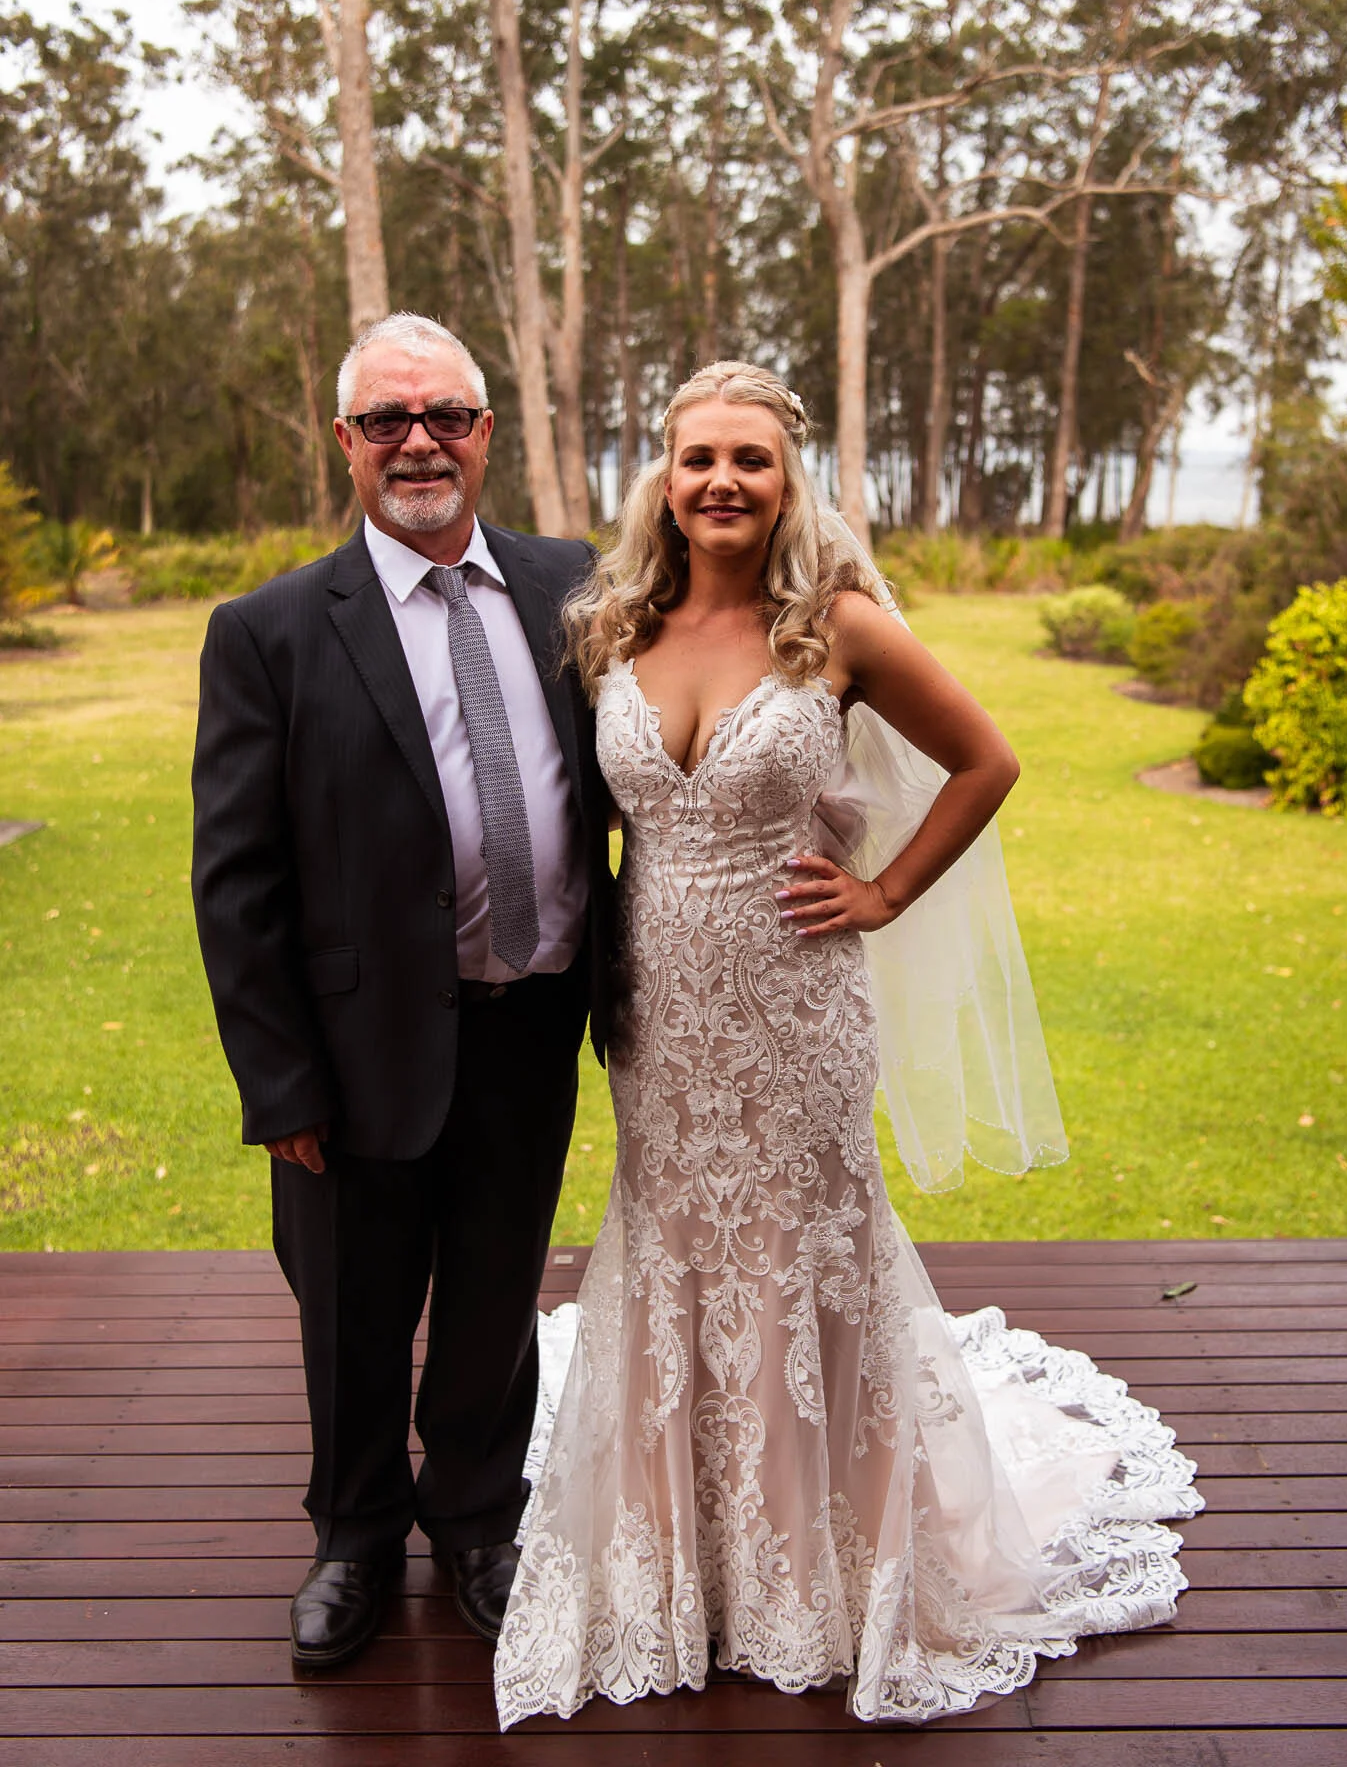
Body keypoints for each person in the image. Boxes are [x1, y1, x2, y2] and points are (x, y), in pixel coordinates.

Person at [493, 361, 1201, 1729]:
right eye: (696, 457)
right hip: (660, 1012)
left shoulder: (839, 627)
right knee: (678, 1234)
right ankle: (683, 1552)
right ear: (663, 475)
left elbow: (985, 759)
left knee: (802, 1240)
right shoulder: (611, 627)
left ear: (788, 477)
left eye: (749, 460)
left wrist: (879, 892)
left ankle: (831, 1557)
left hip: (797, 1009)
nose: (720, 482)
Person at [191, 313, 613, 1670]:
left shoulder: (578, 587)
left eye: (444, 416)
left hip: (530, 1019)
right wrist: (278, 1085)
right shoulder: (267, 630)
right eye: (386, 420)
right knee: (353, 1309)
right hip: (353, 1046)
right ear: (346, 443)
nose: (417, 441)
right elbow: (236, 880)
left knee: (495, 1297)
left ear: (486, 431)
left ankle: (480, 1523)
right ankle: (354, 1537)